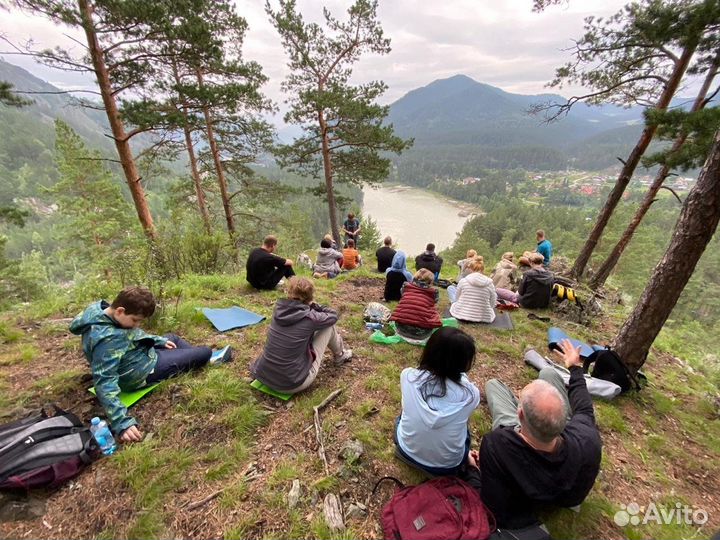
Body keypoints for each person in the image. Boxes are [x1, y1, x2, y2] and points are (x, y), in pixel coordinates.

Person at [464, 338, 602, 529]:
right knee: (548, 372)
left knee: (494, 385)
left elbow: (491, 506)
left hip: (521, 442)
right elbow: (584, 408)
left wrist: (473, 470)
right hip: (565, 497)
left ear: (519, 414)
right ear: (566, 417)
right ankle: (538, 403)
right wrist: (575, 368)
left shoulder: (499, 445)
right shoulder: (587, 439)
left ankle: (528, 403)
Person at [70, 287, 229, 443]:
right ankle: (205, 360)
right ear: (119, 310)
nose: (136, 325)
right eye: (135, 320)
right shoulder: (108, 341)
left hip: (135, 354)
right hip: (141, 372)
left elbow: (132, 334)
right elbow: (104, 382)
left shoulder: (99, 312)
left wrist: (158, 341)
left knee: (171, 338)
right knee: (206, 351)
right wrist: (122, 423)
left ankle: (189, 358)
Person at [394, 327, 480, 476]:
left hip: (406, 451)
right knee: (463, 428)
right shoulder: (471, 395)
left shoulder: (408, 376)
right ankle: (465, 457)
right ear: (464, 363)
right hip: (448, 466)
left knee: (402, 416)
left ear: (429, 350)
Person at [250, 277, 352, 394]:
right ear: (310, 297)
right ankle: (340, 355)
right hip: (291, 384)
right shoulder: (311, 318)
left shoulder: (278, 310)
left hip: (263, 375)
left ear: (289, 293)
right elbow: (333, 316)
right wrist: (316, 306)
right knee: (328, 327)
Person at [390, 268, 442, 341]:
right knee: (433, 312)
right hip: (422, 334)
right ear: (431, 281)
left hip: (401, 329)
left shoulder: (406, 286)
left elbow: (402, 296)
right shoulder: (434, 292)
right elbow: (434, 302)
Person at [448, 258, 497, 323]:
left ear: (470, 269)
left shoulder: (463, 281)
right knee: (494, 294)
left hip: (461, 314)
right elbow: (492, 303)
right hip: (484, 316)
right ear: (483, 270)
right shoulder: (490, 283)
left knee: (450, 288)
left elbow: (457, 298)